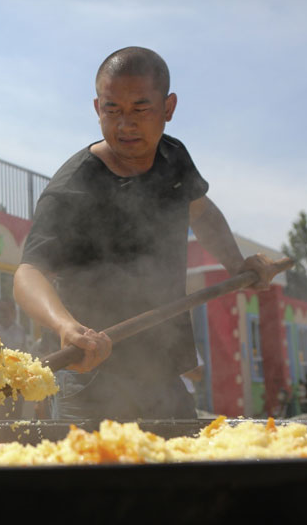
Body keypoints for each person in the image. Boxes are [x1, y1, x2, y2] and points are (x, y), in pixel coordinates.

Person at [14, 47, 277, 421]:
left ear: (168, 108)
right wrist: (65, 326)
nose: (125, 125)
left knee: (179, 473)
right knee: (93, 475)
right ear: (96, 108)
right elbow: (27, 274)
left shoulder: (173, 158)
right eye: (112, 110)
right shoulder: (74, 187)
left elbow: (201, 211)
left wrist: (238, 264)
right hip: (91, 375)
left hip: (162, 367)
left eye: (141, 109)